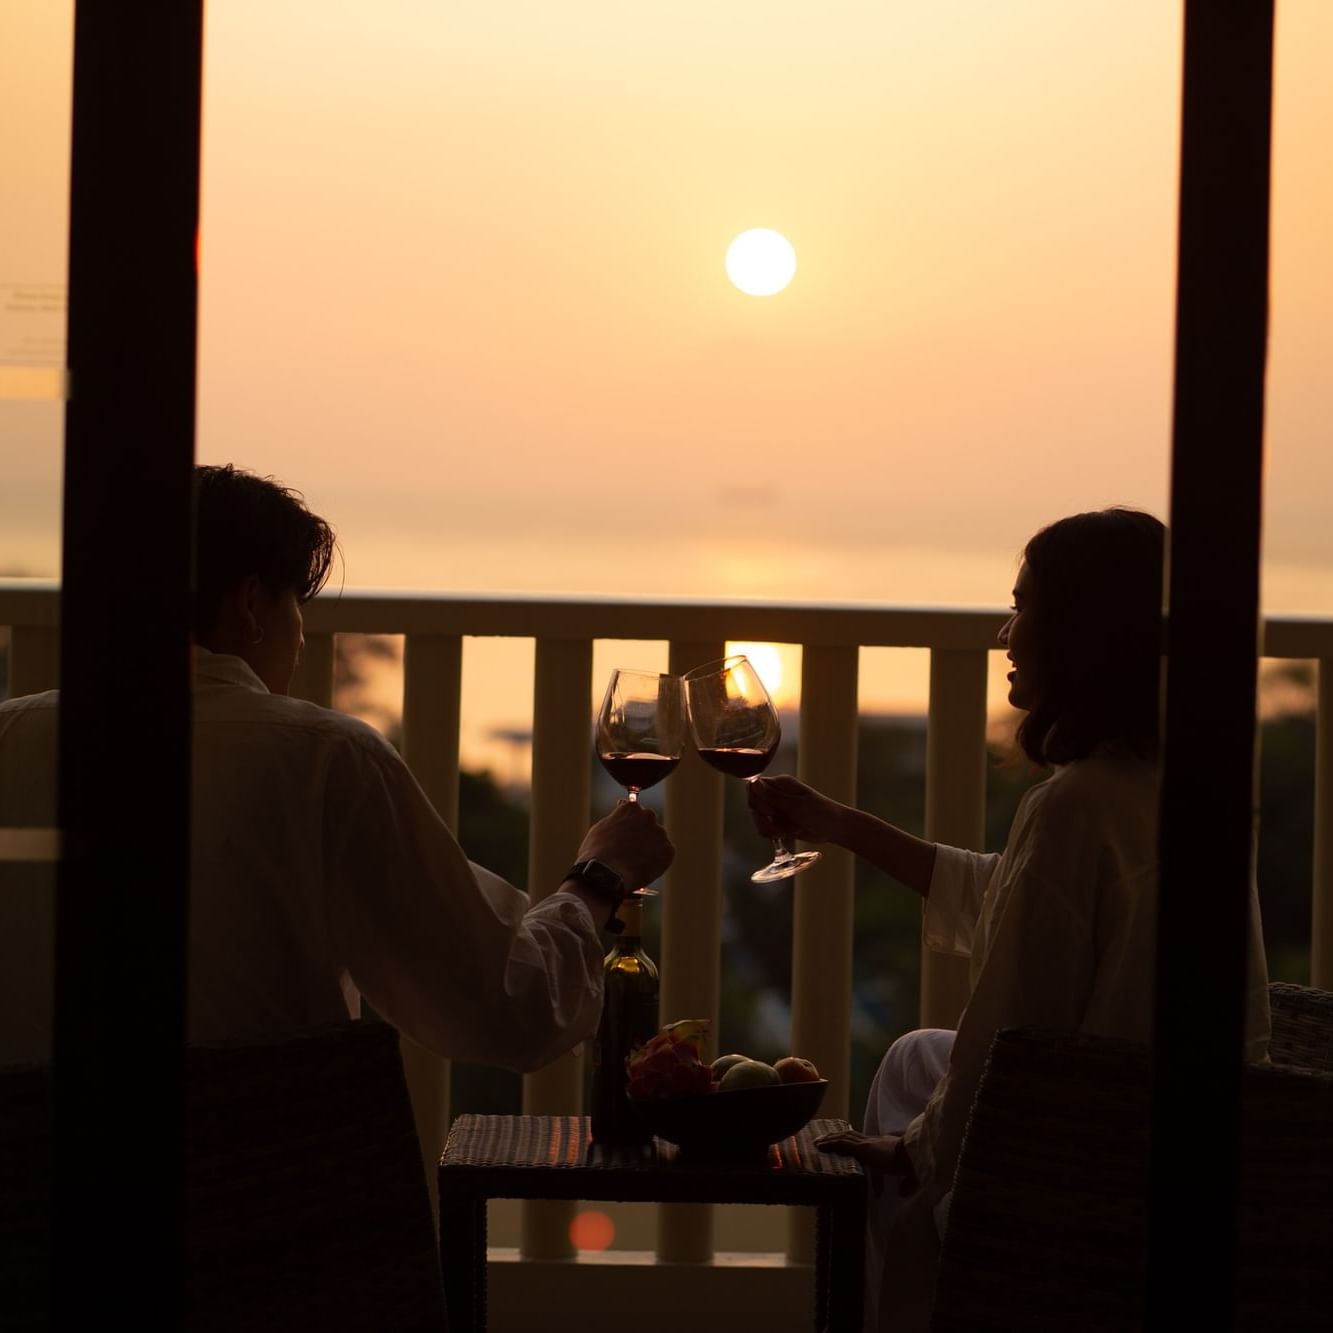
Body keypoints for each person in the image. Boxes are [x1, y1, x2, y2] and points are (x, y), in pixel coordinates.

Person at [748, 507, 1271, 1333]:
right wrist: (844, 825)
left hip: (1089, 1154)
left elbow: (1014, 1032)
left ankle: (933, 1297)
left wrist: (918, 1148)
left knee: (899, 1166)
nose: (1006, 633)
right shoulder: (1179, 783)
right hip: (1191, 1126)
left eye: (1022, 606)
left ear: (1080, 634)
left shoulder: (1073, 805)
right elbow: (1018, 899)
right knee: (918, 1056)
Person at [0, 464, 673, 1070]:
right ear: (252, 604)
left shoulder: (10, 733)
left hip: (34, 1193)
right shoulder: (323, 759)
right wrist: (598, 876)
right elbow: (508, 1008)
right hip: (251, 1185)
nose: (301, 635)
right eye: (299, 606)